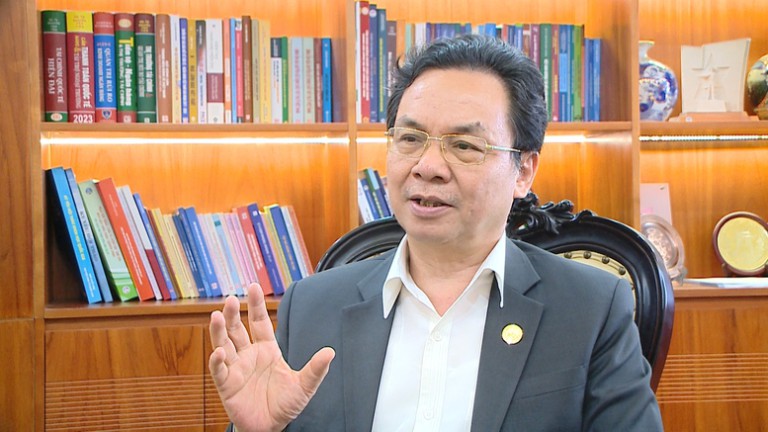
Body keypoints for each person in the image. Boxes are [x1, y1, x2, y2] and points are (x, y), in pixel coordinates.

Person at [209, 34, 663, 431]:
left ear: (524, 170)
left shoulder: (591, 308)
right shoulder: (312, 307)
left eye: (464, 145)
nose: (427, 167)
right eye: (410, 139)